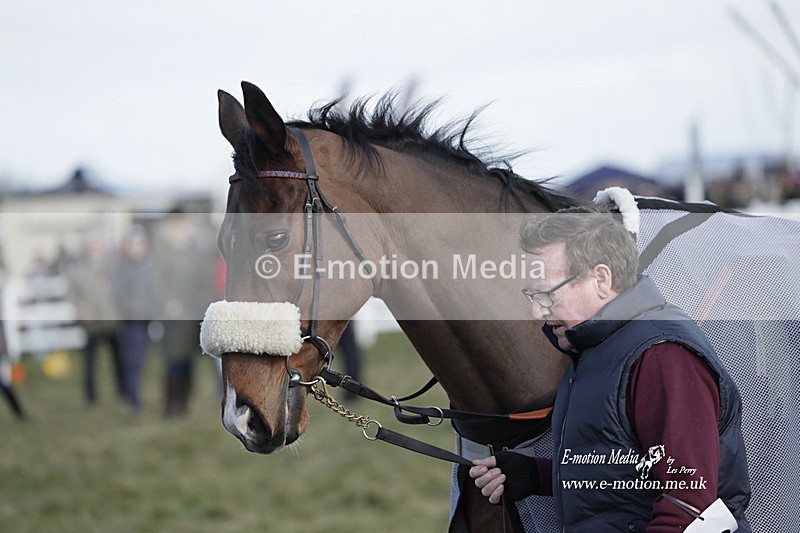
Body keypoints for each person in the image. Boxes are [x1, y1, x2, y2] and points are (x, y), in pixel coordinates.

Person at [469, 206, 751, 532]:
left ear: (601, 279)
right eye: (532, 295)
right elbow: (628, 469)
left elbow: (688, 503)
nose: (537, 312)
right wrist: (540, 475)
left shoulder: (662, 356)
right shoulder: (595, 348)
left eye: (547, 293)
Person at [67, 234, 124, 405]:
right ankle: (91, 397)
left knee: (118, 359)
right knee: (90, 361)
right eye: (92, 244)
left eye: (97, 244)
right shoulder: (78, 269)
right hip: (91, 323)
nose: (95, 248)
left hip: (111, 320)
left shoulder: (113, 266)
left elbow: (124, 289)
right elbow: (71, 294)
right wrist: (81, 309)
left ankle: (122, 392)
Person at [112, 226, 158, 411]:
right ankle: (132, 398)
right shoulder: (123, 268)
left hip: (147, 320)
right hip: (132, 322)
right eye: (133, 244)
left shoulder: (149, 265)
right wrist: (133, 311)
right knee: (132, 360)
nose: (137, 247)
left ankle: (132, 394)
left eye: (139, 243)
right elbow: (119, 295)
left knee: (141, 359)